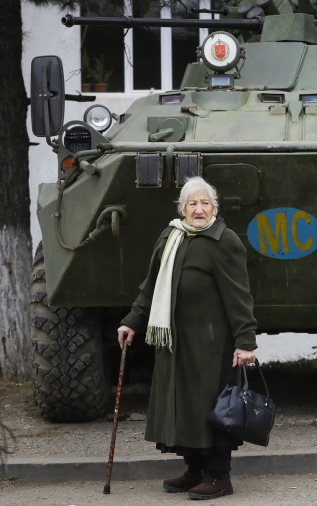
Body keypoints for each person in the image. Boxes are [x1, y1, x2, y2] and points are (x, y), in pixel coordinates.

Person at [118, 176, 258, 500]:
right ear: (182, 208)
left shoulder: (225, 241)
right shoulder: (171, 237)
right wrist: (131, 322)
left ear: (214, 208)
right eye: (192, 203)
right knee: (181, 407)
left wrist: (245, 341)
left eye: (205, 203)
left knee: (213, 408)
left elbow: (240, 297)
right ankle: (194, 470)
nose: (199, 209)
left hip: (212, 347)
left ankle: (219, 476)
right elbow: (151, 288)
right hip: (174, 344)